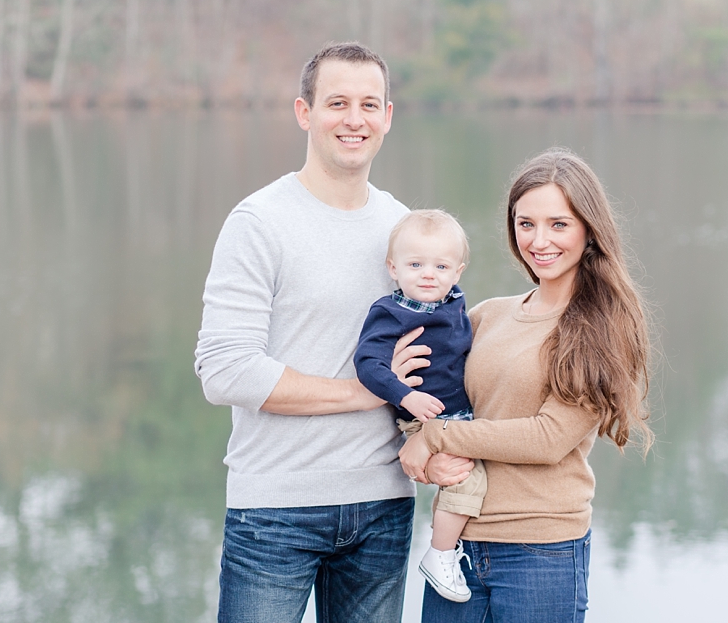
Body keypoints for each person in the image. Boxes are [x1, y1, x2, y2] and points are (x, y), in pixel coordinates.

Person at [194, 42, 468, 623]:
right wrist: (368, 390)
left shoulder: (405, 229)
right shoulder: (259, 222)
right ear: (304, 112)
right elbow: (223, 369)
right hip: (275, 509)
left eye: (369, 104)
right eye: (336, 102)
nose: (354, 119)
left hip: (383, 506)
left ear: (388, 117)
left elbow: (442, 357)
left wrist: (435, 438)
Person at [398, 148, 654, 623]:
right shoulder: (487, 315)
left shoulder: (600, 327)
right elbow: (437, 392)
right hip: (457, 549)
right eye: (525, 223)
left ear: (588, 229)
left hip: (541, 554)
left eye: (559, 224)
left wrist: (438, 437)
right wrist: (401, 384)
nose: (540, 241)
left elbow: (547, 438)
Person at [354, 209, 487, 604]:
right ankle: (440, 554)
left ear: (457, 272)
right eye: (415, 265)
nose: (428, 274)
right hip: (424, 418)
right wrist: (404, 394)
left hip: (460, 417)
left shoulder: (456, 305)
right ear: (393, 268)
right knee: (468, 479)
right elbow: (368, 364)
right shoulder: (391, 312)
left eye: (440, 266)